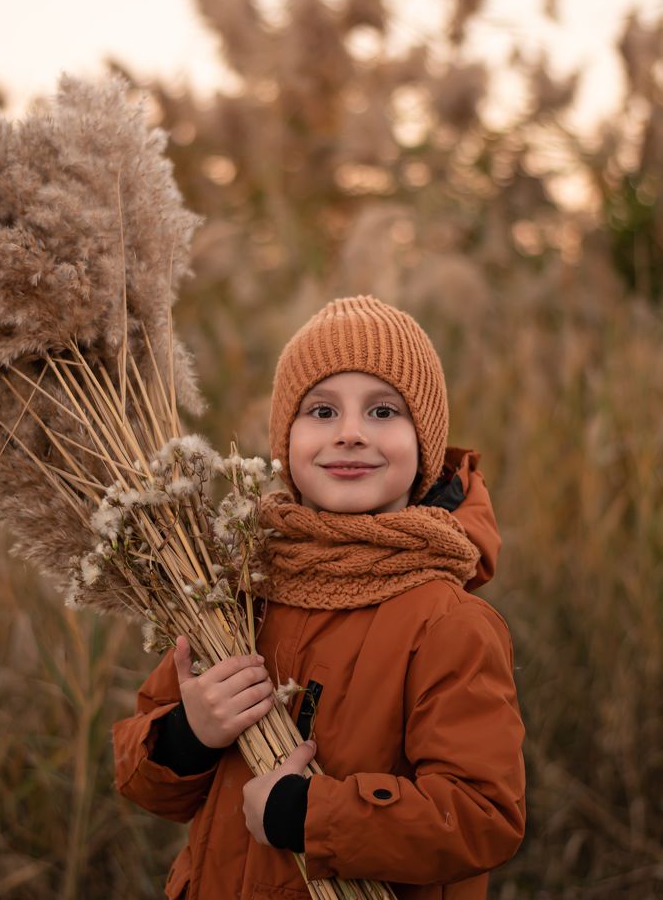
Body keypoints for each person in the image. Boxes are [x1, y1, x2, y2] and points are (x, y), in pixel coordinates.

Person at [113, 295, 526, 900]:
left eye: (384, 411)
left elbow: (483, 817)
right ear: (286, 441)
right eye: (322, 410)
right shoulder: (235, 593)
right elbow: (145, 783)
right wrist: (188, 733)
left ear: (425, 446)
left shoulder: (447, 623)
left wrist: (314, 816)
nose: (352, 434)